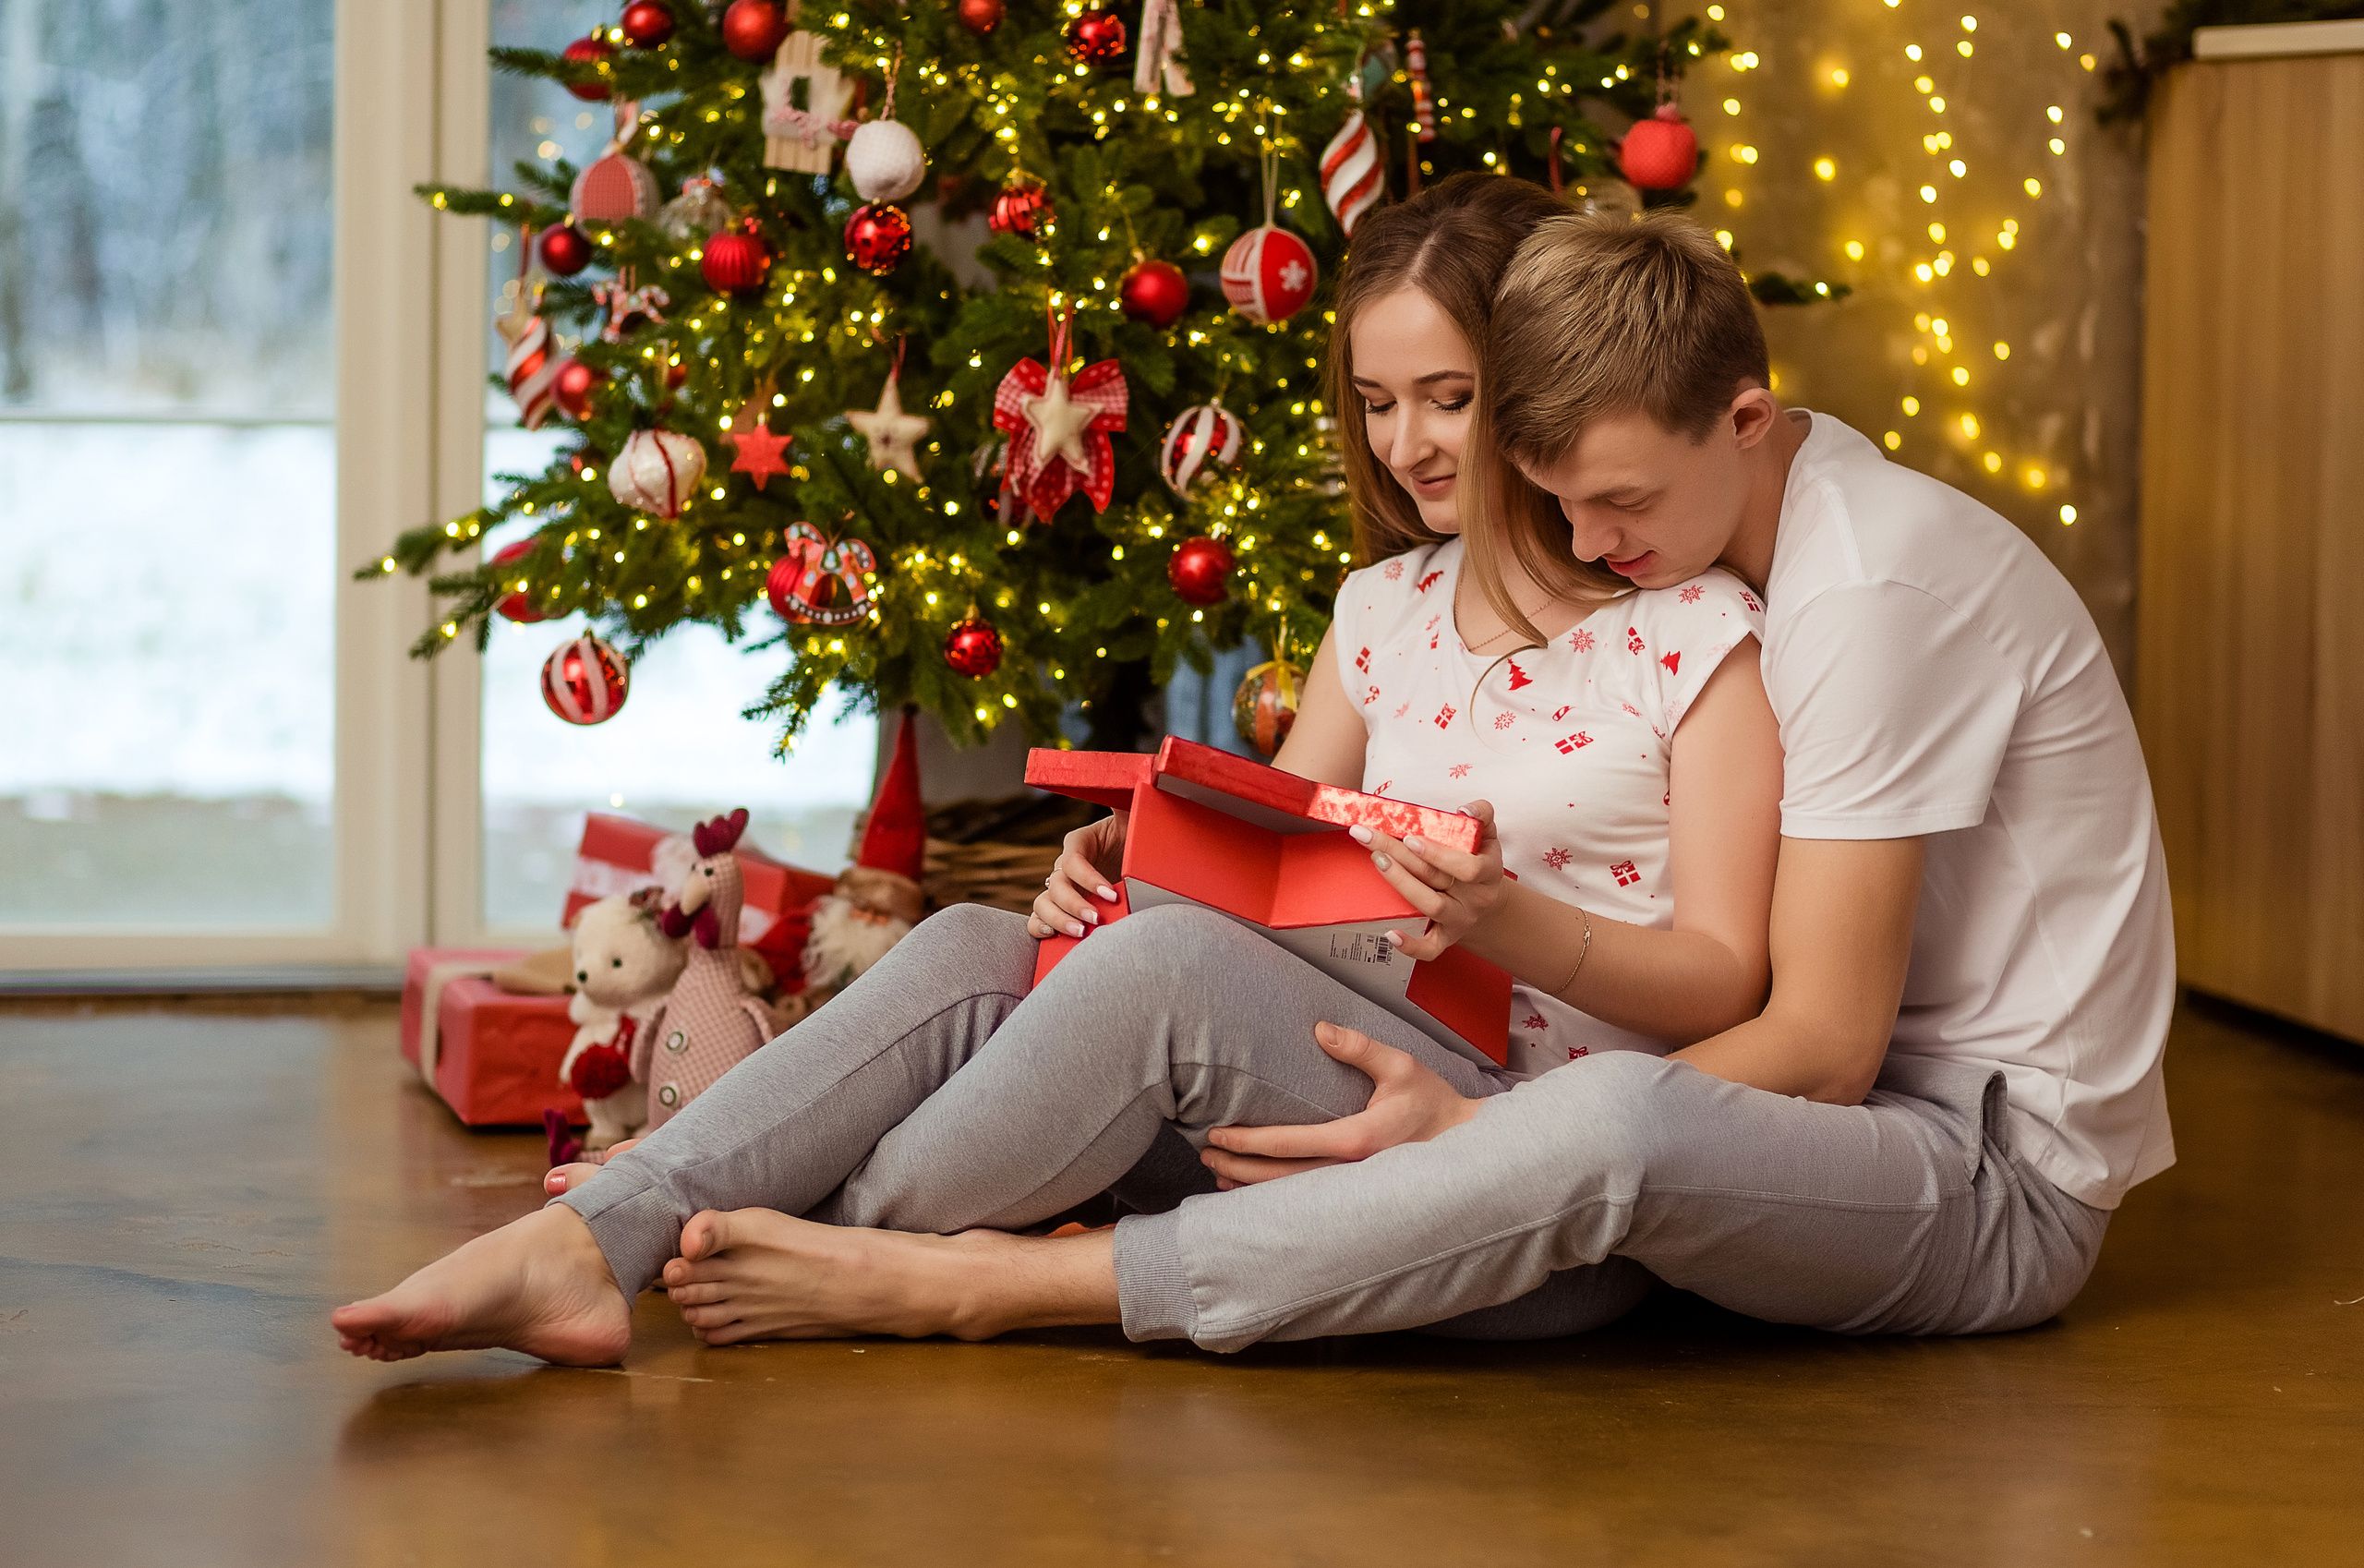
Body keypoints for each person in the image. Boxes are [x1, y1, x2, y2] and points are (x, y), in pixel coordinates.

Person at [329, 175, 1790, 1365]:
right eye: (1376, 400)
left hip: (1518, 1150)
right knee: (983, 938)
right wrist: (1145, 854)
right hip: (1337, 1071)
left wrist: (1505, 918)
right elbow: (1287, 857)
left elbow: (1730, 979)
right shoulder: (1383, 612)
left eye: (1452, 397)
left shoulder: (1693, 632)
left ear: (1534, 385)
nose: (1406, 441)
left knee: (1163, 979)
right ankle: (636, 1224)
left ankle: (692, 1218)